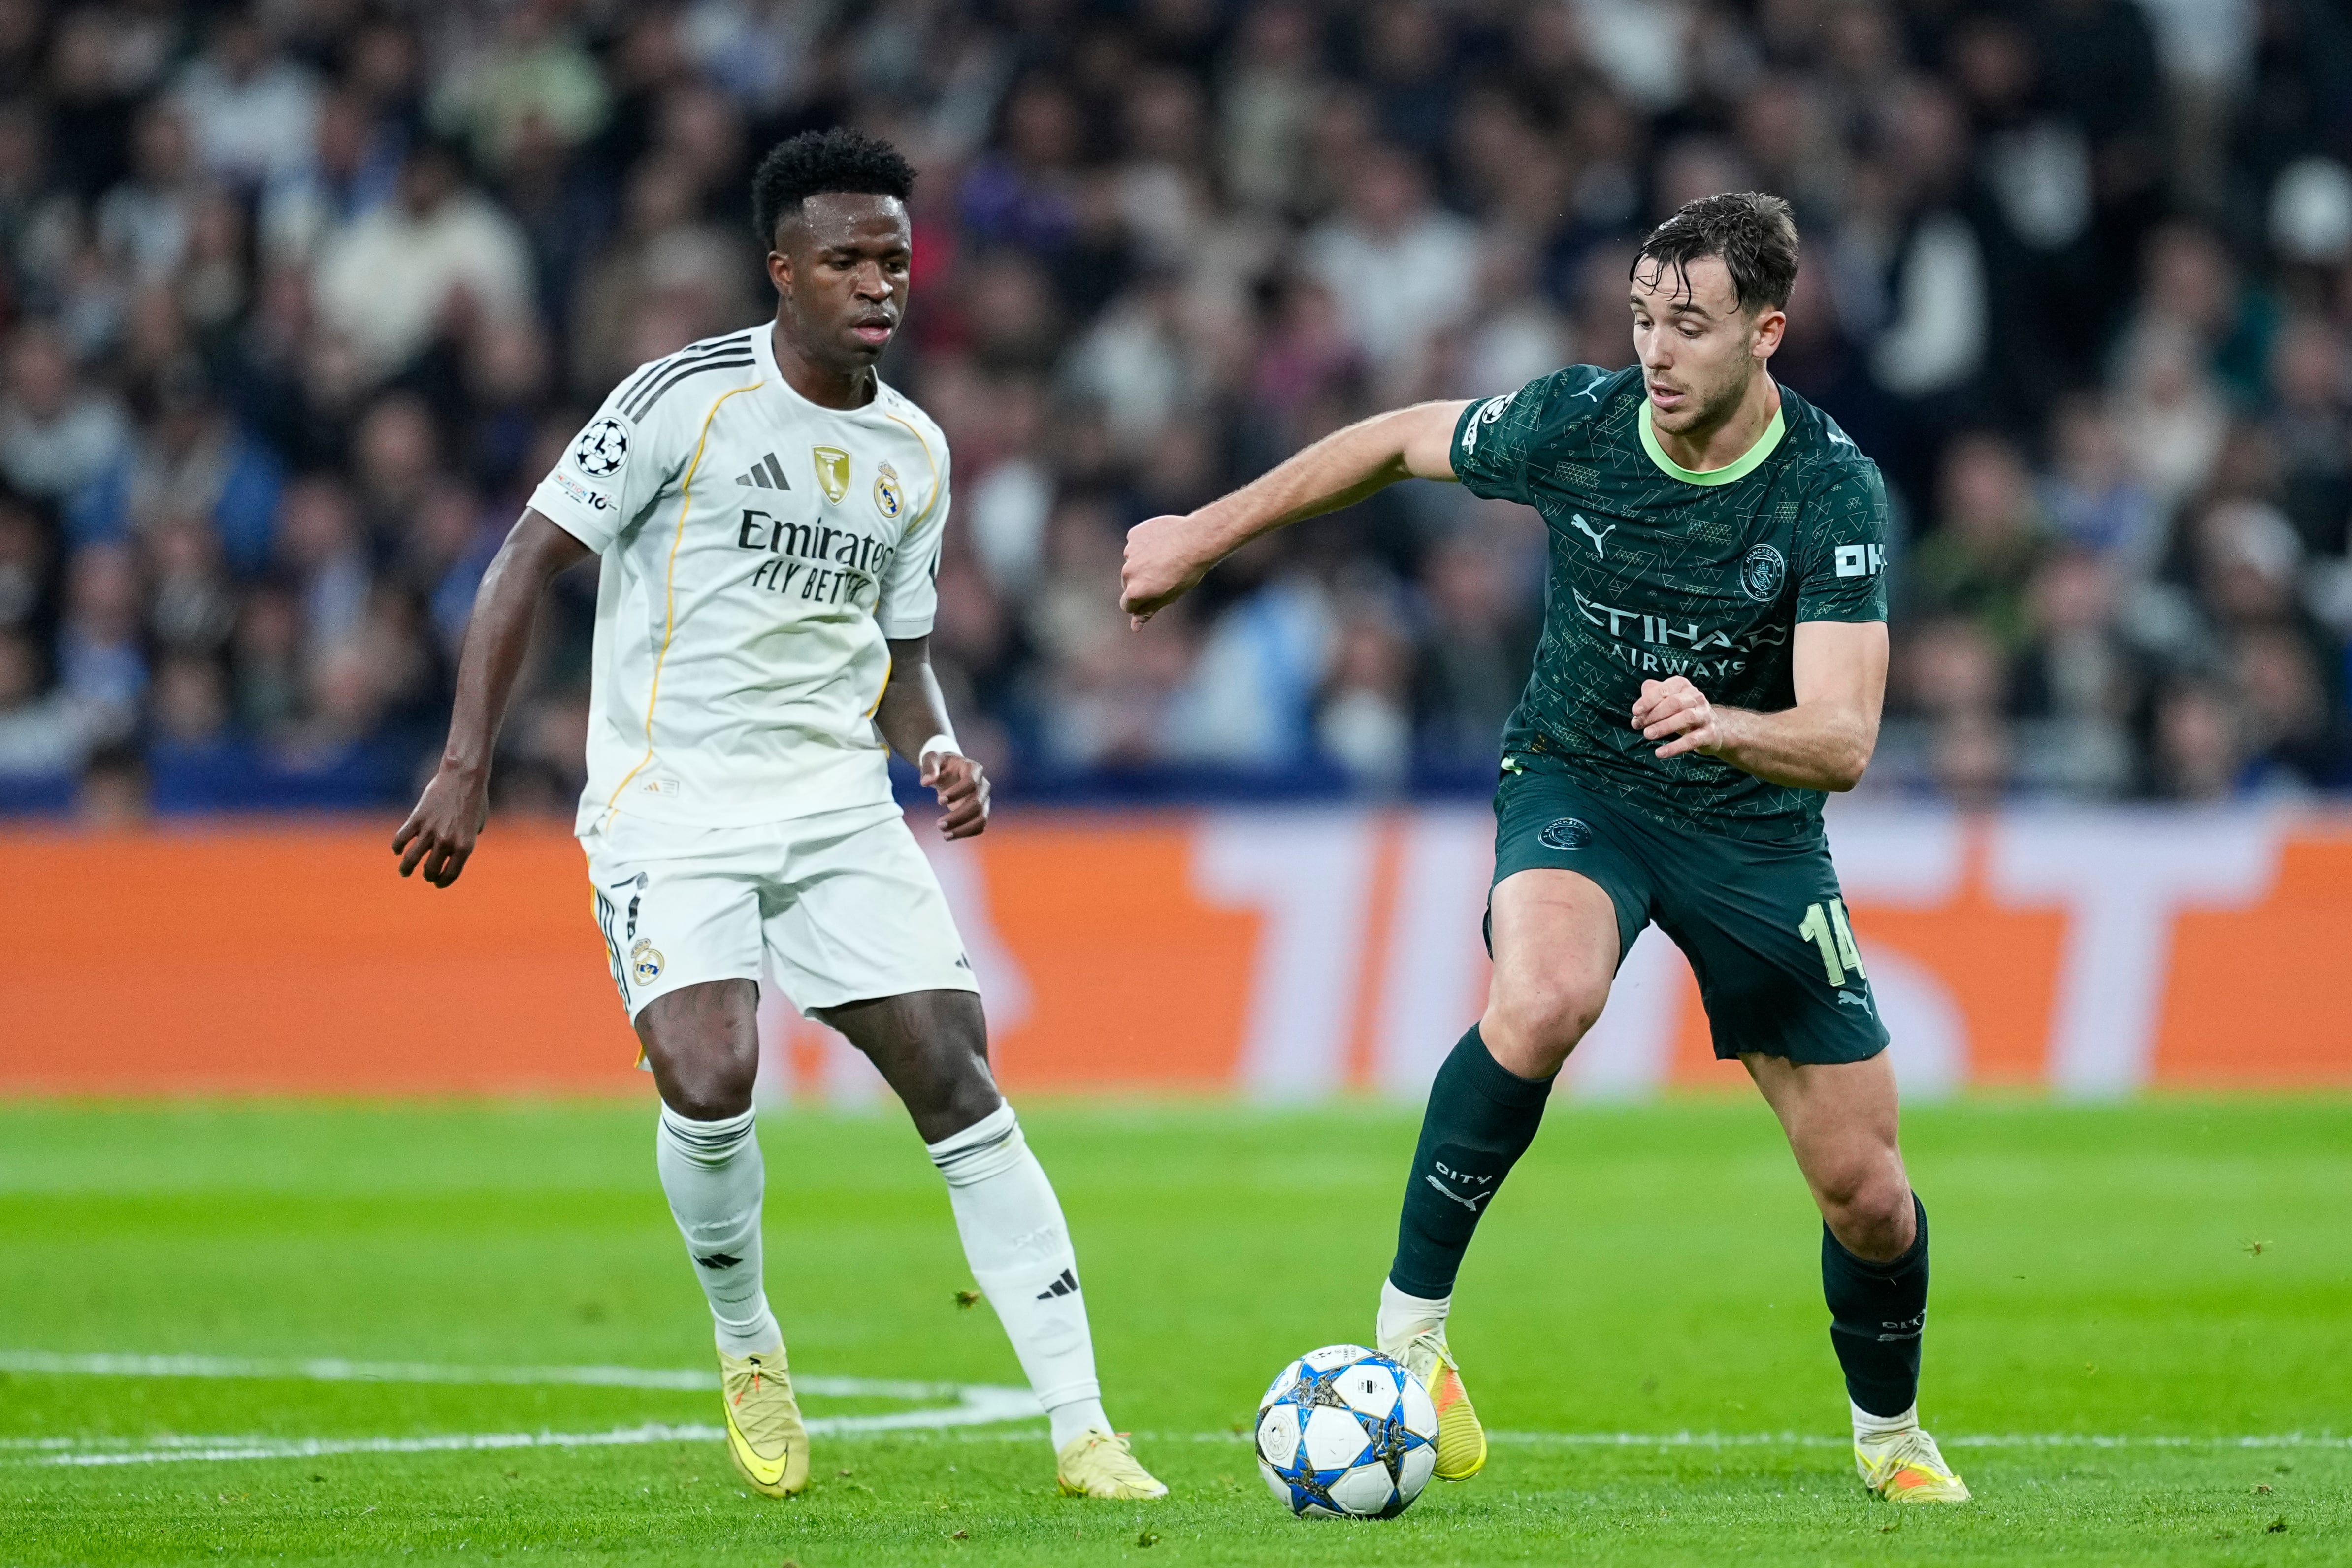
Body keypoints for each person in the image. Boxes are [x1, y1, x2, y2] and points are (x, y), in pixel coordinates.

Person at [1120, 192, 1968, 1506]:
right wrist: (1198, 536)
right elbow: (1401, 441)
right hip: (1580, 779)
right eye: (1642, 319)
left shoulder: (1828, 485)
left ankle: (1890, 1433)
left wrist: (1725, 723)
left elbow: (1845, 738)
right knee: (1547, 993)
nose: (1657, 351)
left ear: (1768, 333)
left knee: (1866, 1191)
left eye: (1689, 325)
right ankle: (1412, 1336)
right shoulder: (1578, 423)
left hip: (1752, 826)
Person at [392, 128, 1164, 1504]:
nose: (880, 284)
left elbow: (903, 657)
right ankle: (750, 1348)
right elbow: (525, 561)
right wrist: (466, 760)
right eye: (848, 260)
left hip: (832, 807)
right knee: (709, 1074)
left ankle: (1083, 1426)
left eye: (896, 260)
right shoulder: (680, 400)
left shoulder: (915, 453)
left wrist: (935, 748)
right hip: (670, 803)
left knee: (961, 1084)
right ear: (783, 272)